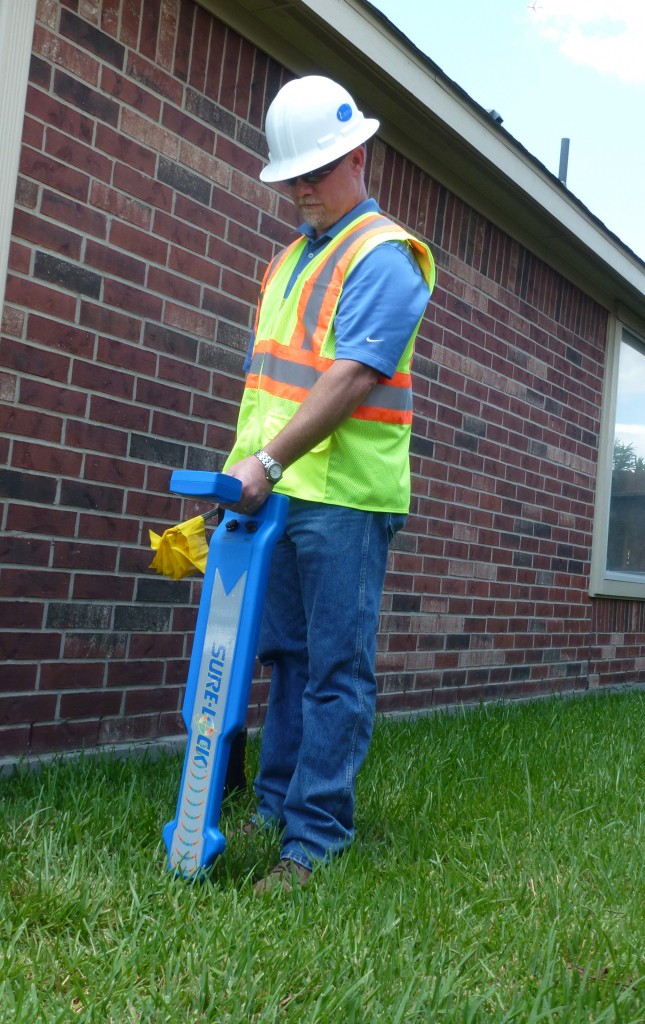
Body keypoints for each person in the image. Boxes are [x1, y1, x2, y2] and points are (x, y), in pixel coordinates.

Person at [222, 75, 435, 893]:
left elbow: (348, 379)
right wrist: (247, 475)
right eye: (292, 177)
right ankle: (274, 805)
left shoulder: (386, 257)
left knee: (335, 670)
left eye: (315, 172)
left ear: (358, 154)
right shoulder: (285, 261)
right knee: (286, 660)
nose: (302, 190)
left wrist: (266, 463)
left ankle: (314, 839)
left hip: (344, 498)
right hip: (275, 496)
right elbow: (267, 387)